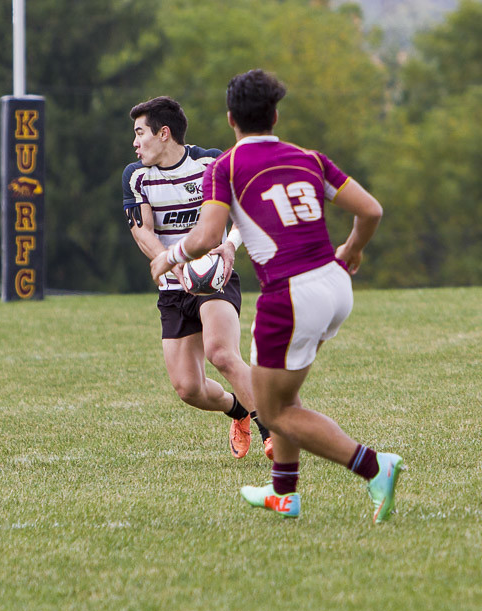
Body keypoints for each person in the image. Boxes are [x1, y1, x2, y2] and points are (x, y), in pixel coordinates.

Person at [150, 69, 403, 523]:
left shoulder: (226, 166)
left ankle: (373, 466)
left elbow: (206, 237)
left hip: (290, 297)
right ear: (276, 116)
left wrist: (168, 258)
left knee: (275, 410)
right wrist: (352, 250)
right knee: (285, 395)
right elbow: (371, 210)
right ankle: (285, 493)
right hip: (334, 286)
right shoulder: (310, 159)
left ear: (231, 118)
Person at [122, 96, 271, 459]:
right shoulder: (136, 176)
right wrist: (172, 262)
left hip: (214, 278)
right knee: (188, 388)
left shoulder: (210, 163)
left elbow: (247, 211)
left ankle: (274, 432)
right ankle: (238, 409)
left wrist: (231, 245)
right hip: (174, 289)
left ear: (164, 133)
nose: (135, 142)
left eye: (140, 133)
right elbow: (142, 232)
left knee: (221, 353)